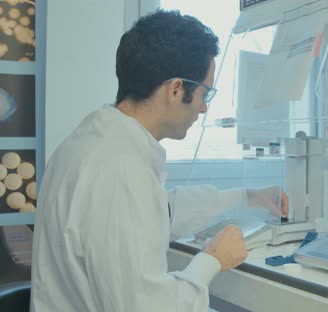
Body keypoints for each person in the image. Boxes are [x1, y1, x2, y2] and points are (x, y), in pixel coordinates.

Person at [30, 10, 288, 312]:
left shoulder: (94, 142)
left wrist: (247, 197)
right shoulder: (120, 170)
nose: (204, 108)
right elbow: (146, 307)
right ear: (176, 89)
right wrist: (211, 260)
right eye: (205, 93)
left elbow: (161, 210)